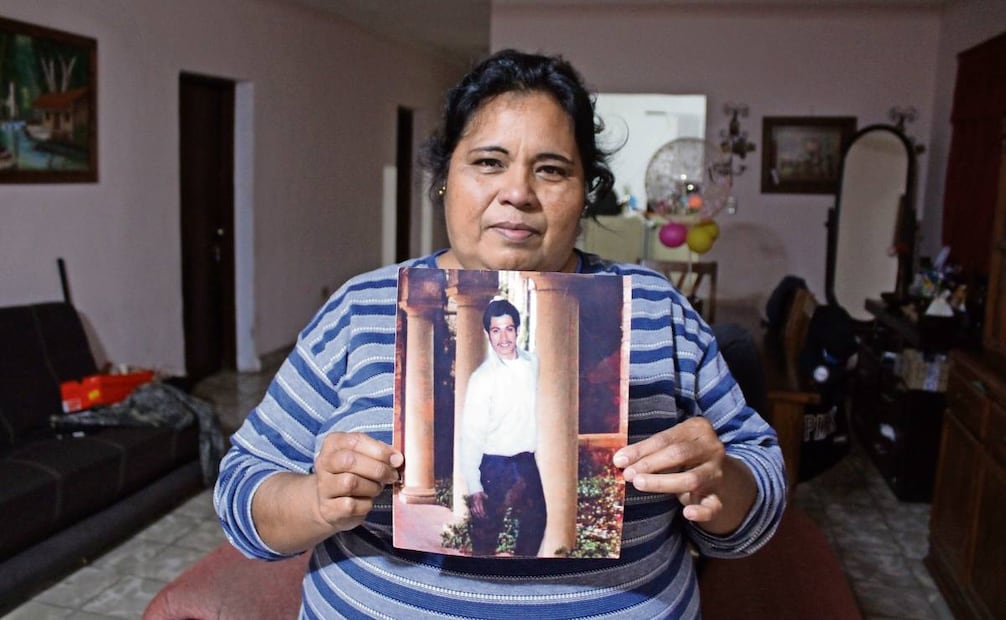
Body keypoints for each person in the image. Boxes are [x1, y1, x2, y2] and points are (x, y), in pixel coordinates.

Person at [215, 48, 786, 619]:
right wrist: (317, 501)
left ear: (587, 191)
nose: (518, 192)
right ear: (444, 180)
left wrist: (723, 485)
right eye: (488, 162)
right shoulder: (361, 308)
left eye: (552, 169)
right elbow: (243, 485)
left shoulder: (654, 308)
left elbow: (757, 483)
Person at [459, 298, 546, 556]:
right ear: (488, 334)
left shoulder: (535, 365)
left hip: (526, 462)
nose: (503, 337)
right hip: (493, 465)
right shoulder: (481, 379)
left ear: (518, 330)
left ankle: (521, 574)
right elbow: (471, 436)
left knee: (537, 519)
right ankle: (481, 582)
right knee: (485, 530)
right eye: (496, 330)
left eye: (509, 329)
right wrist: (475, 486)